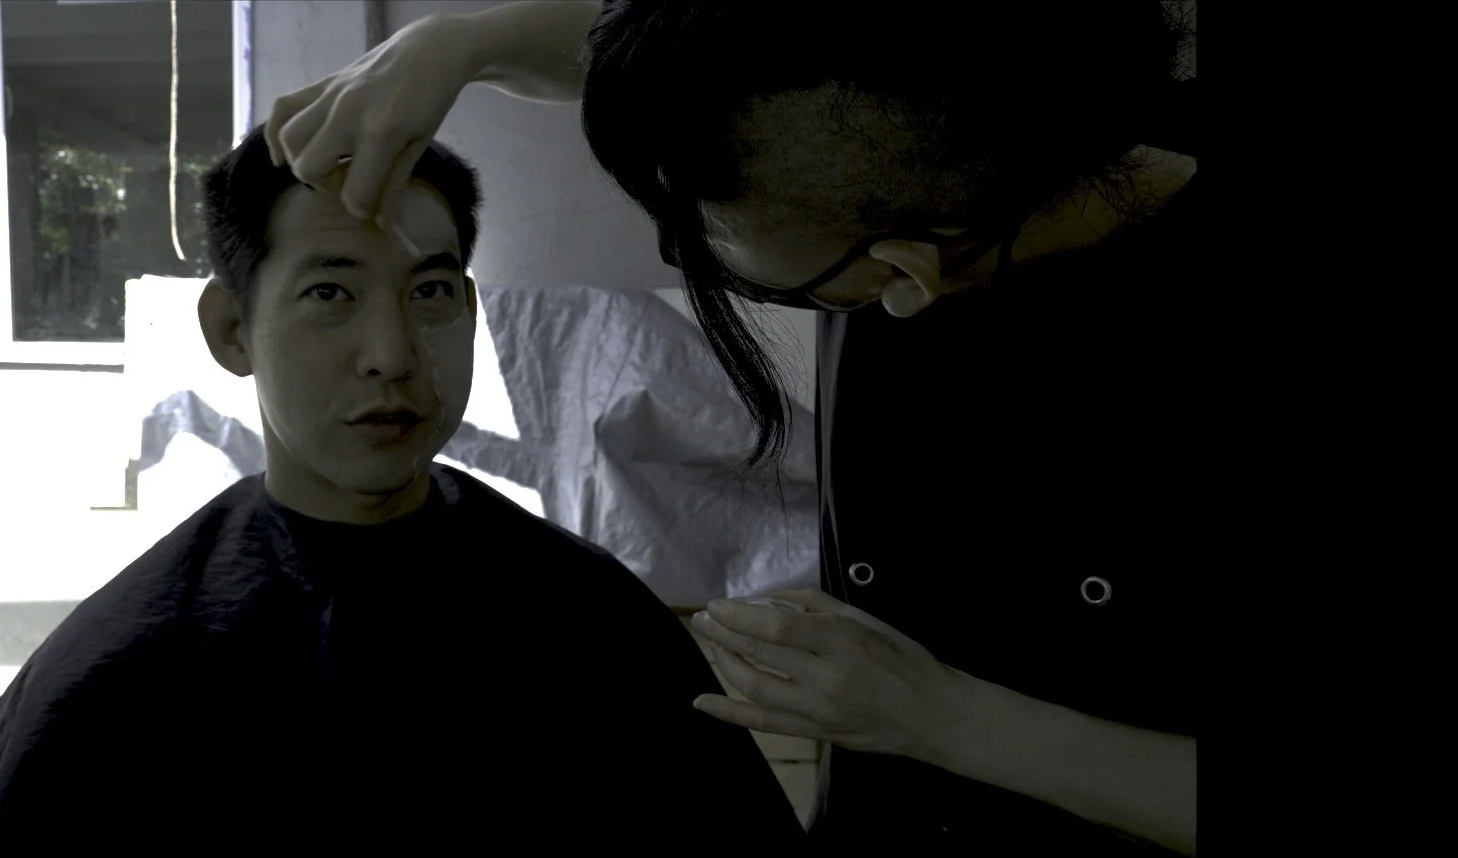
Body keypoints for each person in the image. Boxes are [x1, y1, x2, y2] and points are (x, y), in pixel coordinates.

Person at [264, 1, 1200, 855]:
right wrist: (462, 43)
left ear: (906, 277)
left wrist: (942, 718)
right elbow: (726, 65)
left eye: (732, 256)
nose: (387, 354)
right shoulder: (945, 115)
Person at [0, 129, 802, 854]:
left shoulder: (594, 624)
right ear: (231, 328)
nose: (393, 352)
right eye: (331, 291)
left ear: (470, 313)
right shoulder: (123, 674)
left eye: (430, 290)